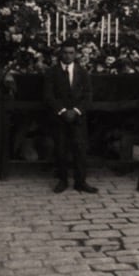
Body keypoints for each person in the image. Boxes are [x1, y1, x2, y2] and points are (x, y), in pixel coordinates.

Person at [42, 40, 96, 194]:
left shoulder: (82, 72)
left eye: (71, 53)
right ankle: (62, 180)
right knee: (61, 148)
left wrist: (77, 110)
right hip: (60, 117)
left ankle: (81, 181)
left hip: (78, 117)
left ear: (76, 54)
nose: (68, 56)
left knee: (80, 148)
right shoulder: (52, 72)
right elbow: (48, 95)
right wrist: (63, 110)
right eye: (65, 52)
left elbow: (88, 95)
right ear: (60, 53)